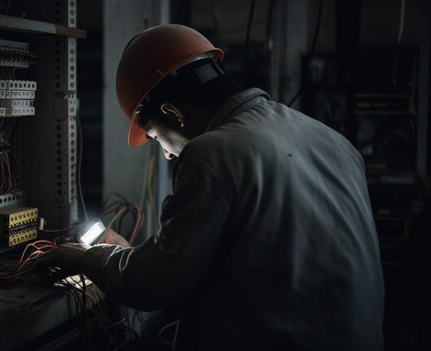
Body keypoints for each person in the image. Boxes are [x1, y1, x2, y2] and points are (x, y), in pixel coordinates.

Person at [38, 24, 384, 350]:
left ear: (173, 112)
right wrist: (133, 256)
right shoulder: (333, 141)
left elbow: (157, 283)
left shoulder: (212, 152)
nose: (169, 155)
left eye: (158, 138)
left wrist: (88, 257)